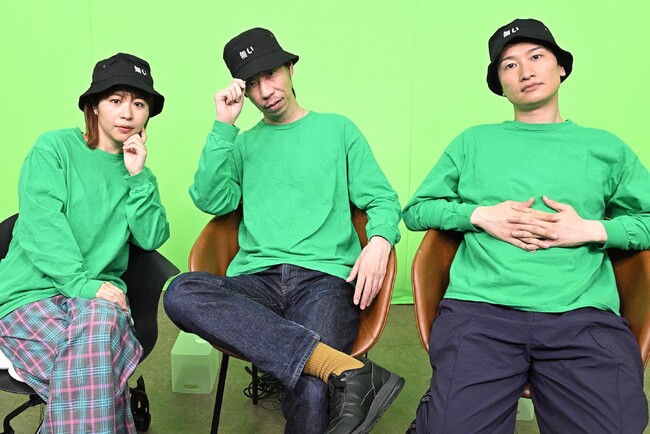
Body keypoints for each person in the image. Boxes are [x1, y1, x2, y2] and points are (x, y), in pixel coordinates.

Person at [403, 18, 650, 434]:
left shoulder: (605, 147)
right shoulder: (473, 142)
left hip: (582, 315)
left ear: (561, 67)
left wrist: (592, 230)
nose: (525, 71)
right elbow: (416, 210)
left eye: (536, 56)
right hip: (481, 312)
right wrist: (479, 216)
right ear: (501, 84)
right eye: (509, 65)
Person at [163, 27, 404, 434]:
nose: (265, 91)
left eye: (271, 74)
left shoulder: (338, 130)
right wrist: (223, 126)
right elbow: (210, 199)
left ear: (290, 68)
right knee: (179, 292)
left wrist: (379, 241)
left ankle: (328, 368)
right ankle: (346, 370)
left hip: (325, 280)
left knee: (312, 388)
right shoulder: (242, 144)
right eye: (252, 84)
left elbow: (381, 199)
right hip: (257, 280)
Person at [0, 53, 169, 433]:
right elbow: (42, 226)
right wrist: (81, 284)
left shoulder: (137, 173)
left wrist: (138, 176)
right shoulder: (54, 148)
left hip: (97, 302)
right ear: (93, 106)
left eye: (139, 104)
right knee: (98, 373)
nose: (127, 113)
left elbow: (152, 237)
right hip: (31, 294)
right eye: (116, 100)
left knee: (90, 359)